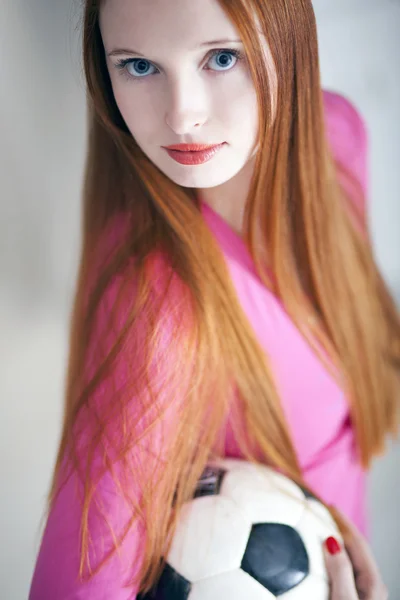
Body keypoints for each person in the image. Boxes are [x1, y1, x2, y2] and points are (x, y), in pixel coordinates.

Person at [28, 0, 399, 598]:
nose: (182, 117)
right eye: (140, 67)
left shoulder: (340, 137)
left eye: (221, 58)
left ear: (287, 43)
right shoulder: (156, 306)